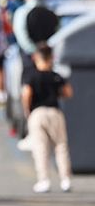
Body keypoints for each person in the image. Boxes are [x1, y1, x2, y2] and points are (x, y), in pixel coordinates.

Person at [23, 46, 73, 193]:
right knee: (61, 146)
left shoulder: (31, 76)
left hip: (37, 113)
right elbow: (68, 92)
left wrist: (28, 112)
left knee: (40, 148)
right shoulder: (56, 76)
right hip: (55, 111)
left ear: (36, 58)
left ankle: (44, 180)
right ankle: (65, 179)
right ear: (51, 57)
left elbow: (26, 94)